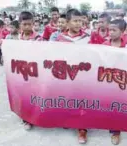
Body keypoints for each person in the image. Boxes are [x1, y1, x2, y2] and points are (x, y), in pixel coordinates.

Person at [55, 9, 89, 144]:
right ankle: (68, 120)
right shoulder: (60, 39)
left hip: (83, 76)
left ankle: (82, 129)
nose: (78, 23)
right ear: (67, 23)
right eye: (75, 21)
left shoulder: (87, 38)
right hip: (66, 75)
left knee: (82, 101)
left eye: (80, 20)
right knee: (67, 98)